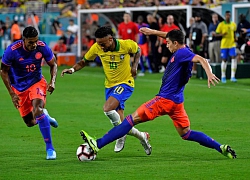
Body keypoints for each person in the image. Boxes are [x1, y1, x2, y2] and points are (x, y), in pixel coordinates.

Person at [79, 28, 237, 160]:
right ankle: (220, 147)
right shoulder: (184, 48)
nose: (167, 45)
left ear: (176, 43)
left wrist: (209, 73)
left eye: (168, 43)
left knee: (129, 121)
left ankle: (97, 144)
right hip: (177, 103)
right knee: (186, 133)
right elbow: (170, 36)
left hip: (164, 100)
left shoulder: (182, 53)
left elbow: (202, 59)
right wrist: (152, 32)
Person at [61, 26, 152, 155]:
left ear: (110, 39)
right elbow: (84, 61)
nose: (101, 47)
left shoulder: (125, 44)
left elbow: (138, 50)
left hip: (126, 83)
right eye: (98, 44)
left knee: (107, 108)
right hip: (109, 86)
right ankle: (141, 136)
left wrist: (135, 66)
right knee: (120, 122)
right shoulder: (97, 47)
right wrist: (72, 69)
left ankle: (121, 136)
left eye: (103, 44)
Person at [0, 26, 58, 160]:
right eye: (30, 42)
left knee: (37, 109)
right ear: (23, 40)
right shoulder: (12, 51)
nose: (34, 45)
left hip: (36, 82)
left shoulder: (42, 47)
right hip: (19, 87)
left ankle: (50, 148)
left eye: (35, 41)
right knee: (30, 122)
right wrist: (12, 94)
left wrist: (52, 81)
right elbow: (3, 71)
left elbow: (53, 64)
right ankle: (45, 117)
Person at [215, 11, 237, 83]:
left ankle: (233, 76)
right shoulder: (221, 24)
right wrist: (222, 34)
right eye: (227, 15)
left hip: (232, 44)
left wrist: (235, 38)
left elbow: (234, 33)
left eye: (229, 15)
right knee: (224, 60)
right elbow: (216, 34)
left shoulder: (233, 24)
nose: (228, 16)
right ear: (225, 16)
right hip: (224, 45)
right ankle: (223, 76)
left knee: (233, 58)